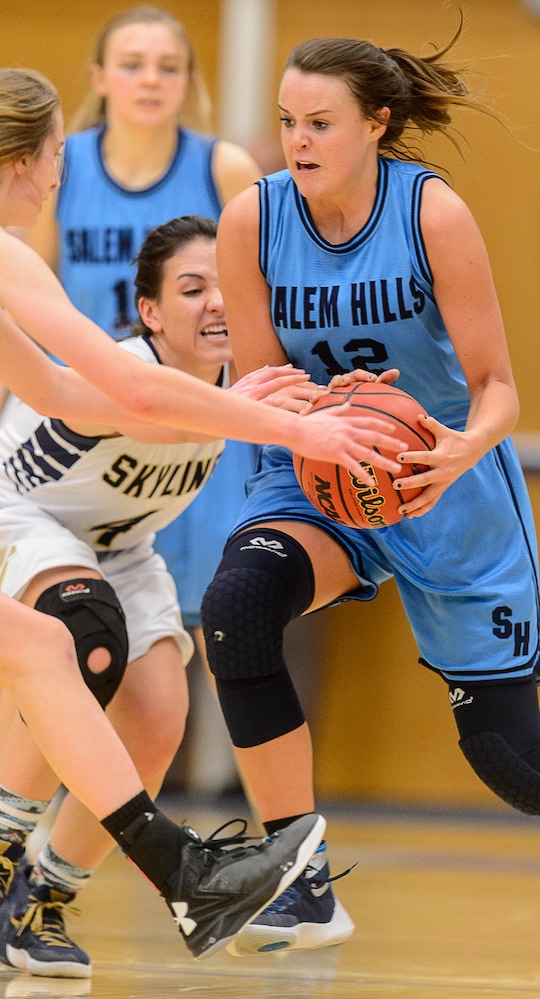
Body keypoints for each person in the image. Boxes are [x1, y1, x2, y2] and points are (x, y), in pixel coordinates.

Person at [0, 66, 407, 962]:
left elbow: (67, 389)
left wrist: (254, 406)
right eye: (61, 155)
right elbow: (125, 382)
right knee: (48, 644)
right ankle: (174, 873)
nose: (64, 175)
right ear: (27, 160)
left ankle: (101, 884)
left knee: (60, 660)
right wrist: (295, 423)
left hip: (21, 527)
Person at [200, 28, 540, 958]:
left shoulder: (435, 214)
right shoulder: (251, 219)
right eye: (287, 122)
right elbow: (257, 384)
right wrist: (312, 414)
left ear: (377, 124)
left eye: (321, 122)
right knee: (236, 605)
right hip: (316, 478)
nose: (298, 141)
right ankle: (297, 877)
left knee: (514, 766)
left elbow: (497, 389)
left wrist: (456, 452)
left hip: (442, 483)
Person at [0, 215, 319, 978]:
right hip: (6, 518)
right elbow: (162, 418)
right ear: (149, 311)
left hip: (116, 547)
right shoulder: (121, 369)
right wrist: (265, 416)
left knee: (159, 715)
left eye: (225, 289)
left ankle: (42, 902)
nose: (214, 305)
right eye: (191, 288)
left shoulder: (242, 382)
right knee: (86, 634)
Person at [0, 6, 264, 670]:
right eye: (133, 65)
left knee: (216, 623)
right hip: (82, 418)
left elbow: (260, 299)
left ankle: (204, 775)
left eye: (168, 66)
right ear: (100, 76)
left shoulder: (224, 168)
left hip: (197, 424)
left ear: (189, 80)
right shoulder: (60, 168)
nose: (150, 80)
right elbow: (17, 298)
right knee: (51, 620)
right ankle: (16, 771)